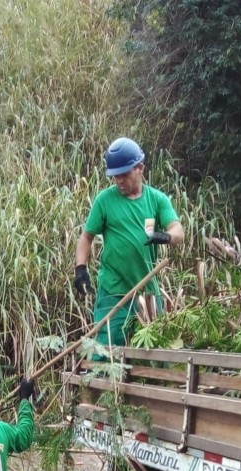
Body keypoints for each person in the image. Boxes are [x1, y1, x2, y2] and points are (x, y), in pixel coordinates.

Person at [74, 137, 184, 354]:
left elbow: (178, 232)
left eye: (124, 174)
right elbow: (86, 237)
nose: (119, 180)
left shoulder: (157, 200)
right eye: (115, 176)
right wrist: (80, 268)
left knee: (155, 354)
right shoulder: (104, 201)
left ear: (140, 168)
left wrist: (165, 237)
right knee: (106, 354)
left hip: (148, 293)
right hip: (113, 293)